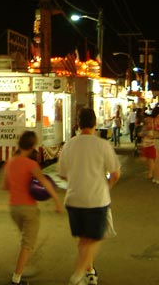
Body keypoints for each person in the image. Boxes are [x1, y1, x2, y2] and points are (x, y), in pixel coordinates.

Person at [58, 108, 121, 285]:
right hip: (96, 199)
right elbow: (115, 174)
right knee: (96, 237)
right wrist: (106, 186)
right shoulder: (102, 145)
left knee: (84, 239)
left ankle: (90, 272)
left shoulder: (69, 145)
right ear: (95, 123)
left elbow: (62, 174)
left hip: (74, 198)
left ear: (78, 124)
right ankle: (78, 274)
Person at [2, 131, 62, 285]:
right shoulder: (31, 164)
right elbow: (45, 182)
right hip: (28, 209)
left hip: (13, 208)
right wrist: (57, 200)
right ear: (33, 146)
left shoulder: (10, 162)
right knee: (27, 244)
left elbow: (4, 185)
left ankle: (22, 264)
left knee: (25, 240)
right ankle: (17, 278)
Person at [140, 115, 156, 180]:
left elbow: (153, 136)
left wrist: (147, 135)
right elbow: (140, 134)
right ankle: (150, 170)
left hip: (151, 146)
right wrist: (142, 134)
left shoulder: (154, 128)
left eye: (151, 122)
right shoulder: (144, 128)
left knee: (151, 160)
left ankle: (150, 173)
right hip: (145, 146)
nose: (149, 123)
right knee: (143, 159)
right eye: (148, 122)